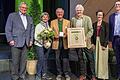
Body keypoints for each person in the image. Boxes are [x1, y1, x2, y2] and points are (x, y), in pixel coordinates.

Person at [5, 2, 34, 80]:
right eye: (22, 7)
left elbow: (32, 30)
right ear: (19, 8)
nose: (24, 9)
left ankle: (22, 75)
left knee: (24, 61)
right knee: (15, 61)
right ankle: (15, 76)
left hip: (26, 42)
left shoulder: (29, 17)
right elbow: (8, 28)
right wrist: (10, 39)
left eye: (25, 8)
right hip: (15, 41)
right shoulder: (12, 16)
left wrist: (31, 40)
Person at [70, 4, 96, 80]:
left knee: (90, 59)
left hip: (87, 42)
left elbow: (91, 30)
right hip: (78, 43)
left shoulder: (87, 18)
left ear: (83, 11)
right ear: (76, 11)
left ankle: (92, 75)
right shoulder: (73, 19)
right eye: (77, 10)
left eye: (80, 10)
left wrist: (86, 37)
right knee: (80, 59)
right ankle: (83, 75)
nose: (79, 12)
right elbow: (72, 30)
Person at [50, 8, 71, 80]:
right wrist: (55, 36)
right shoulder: (52, 22)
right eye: (58, 12)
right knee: (57, 58)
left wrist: (66, 35)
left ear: (63, 13)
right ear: (56, 13)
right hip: (56, 42)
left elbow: (69, 32)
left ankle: (66, 74)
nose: (59, 13)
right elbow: (50, 32)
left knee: (65, 59)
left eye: (61, 12)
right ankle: (59, 73)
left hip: (65, 42)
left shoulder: (68, 22)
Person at [91, 10, 109, 79]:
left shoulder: (106, 24)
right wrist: (92, 43)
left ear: (103, 16)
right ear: (96, 15)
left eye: (101, 15)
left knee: (103, 60)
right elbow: (92, 35)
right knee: (97, 59)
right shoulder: (94, 24)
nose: (99, 16)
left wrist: (105, 45)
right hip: (96, 42)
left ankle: (103, 75)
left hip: (103, 43)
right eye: (98, 15)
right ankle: (98, 75)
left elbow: (107, 35)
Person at [34, 12, 52, 80]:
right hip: (39, 45)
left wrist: (49, 41)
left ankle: (44, 74)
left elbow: (50, 35)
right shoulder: (38, 25)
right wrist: (43, 42)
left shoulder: (48, 25)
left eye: (46, 17)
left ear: (48, 18)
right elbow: (36, 37)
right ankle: (38, 75)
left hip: (47, 45)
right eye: (43, 17)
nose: (45, 18)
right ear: (41, 18)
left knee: (45, 59)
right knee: (41, 59)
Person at [109, 0, 120, 79]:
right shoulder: (111, 16)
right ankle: (118, 75)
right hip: (115, 40)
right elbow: (110, 29)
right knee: (117, 58)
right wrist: (110, 40)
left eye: (119, 4)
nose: (117, 5)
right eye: (116, 4)